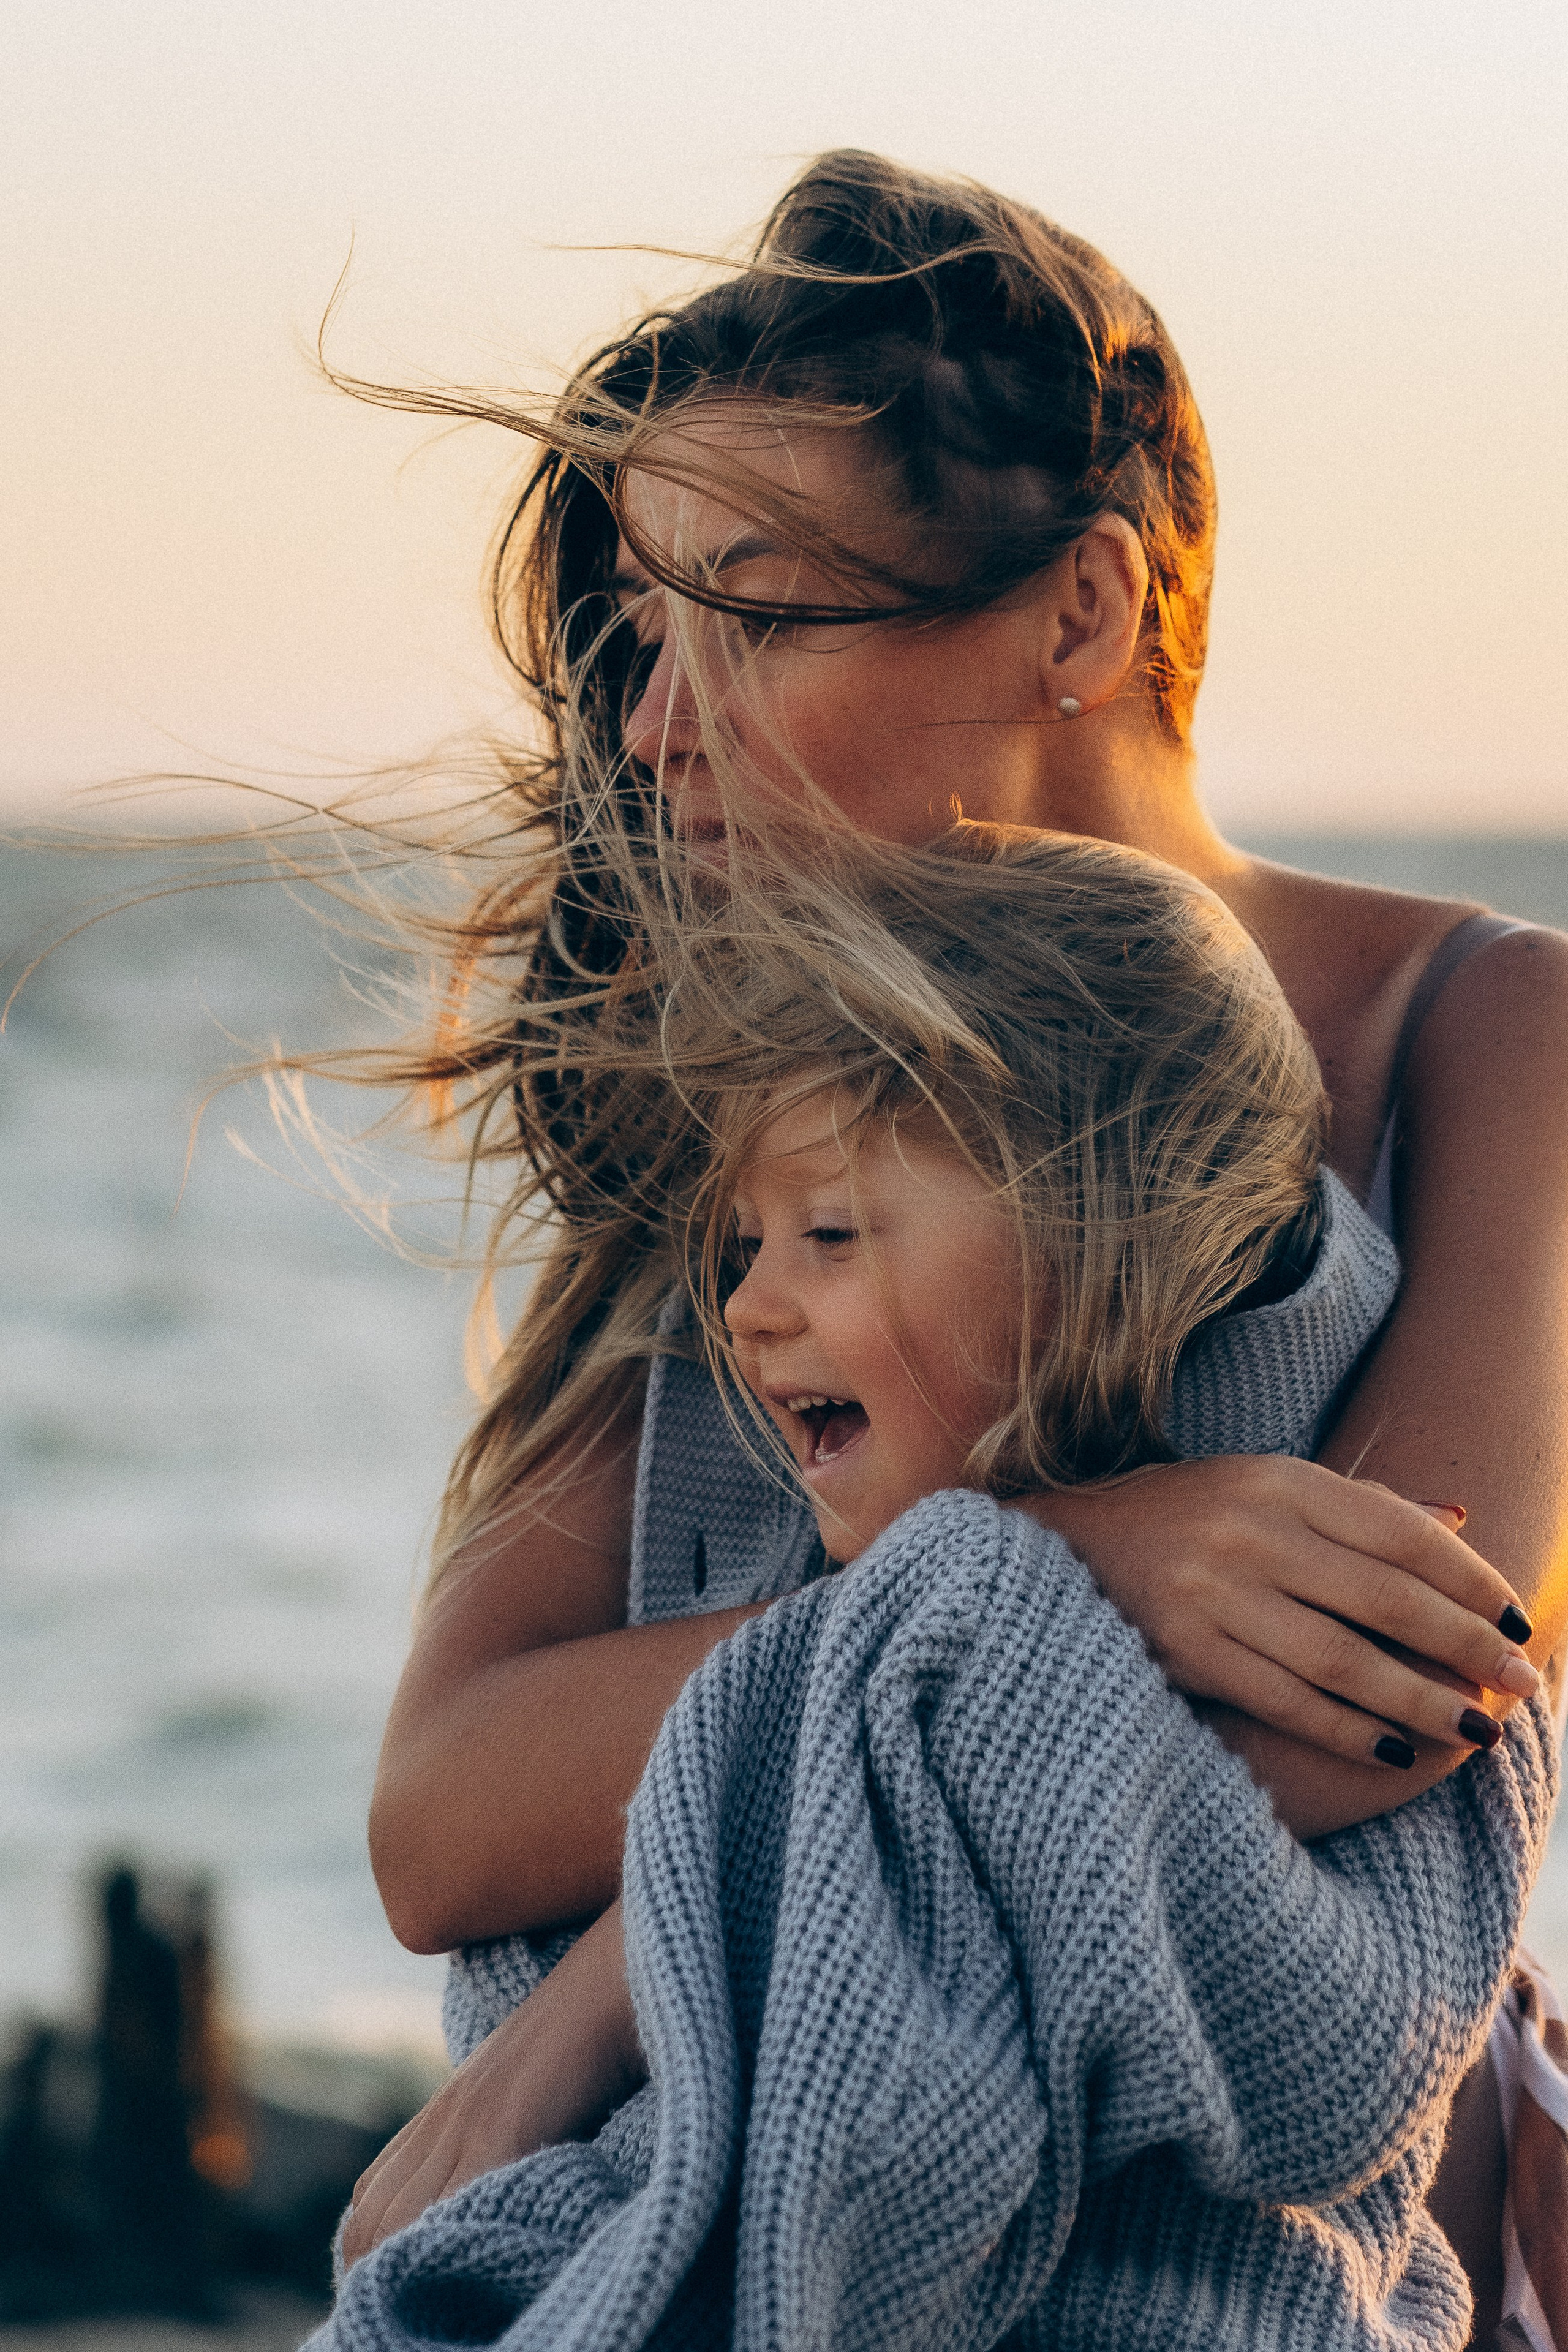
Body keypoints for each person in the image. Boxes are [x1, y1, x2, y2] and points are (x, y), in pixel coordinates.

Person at [352, 153, 1568, 2337]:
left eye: (763, 615)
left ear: (1083, 613)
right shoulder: (734, 1100)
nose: (653, 725)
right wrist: (1103, 1556)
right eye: (642, 632)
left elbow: (1375, 1713)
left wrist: (625, 1980)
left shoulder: (1489, 1032)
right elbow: (446, 1819)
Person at [337, 827, 1552, 2352]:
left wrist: (974, 1600)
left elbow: (1327, 2046)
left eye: (830, 1236)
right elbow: (440, 1856)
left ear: (1090, 1238)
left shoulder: (1314, 1558)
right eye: (740, 1248)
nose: (754, 1308)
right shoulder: (800, 1472)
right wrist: (1045, 1561)